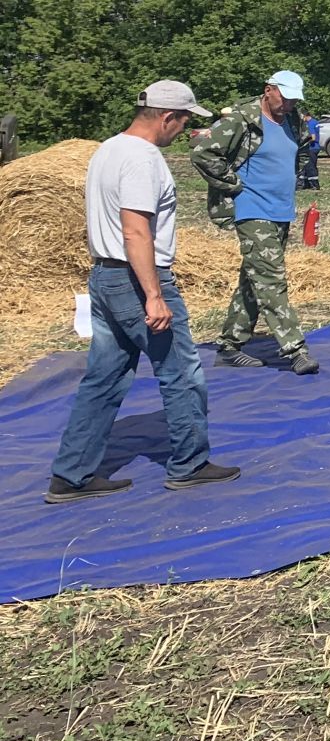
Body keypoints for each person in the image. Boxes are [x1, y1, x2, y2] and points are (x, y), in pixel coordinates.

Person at [45, 81, 241, 501]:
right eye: (185, 120)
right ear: (167, 117)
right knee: (181, 371)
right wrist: (153, 294)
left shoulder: (108, 149)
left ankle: (72, 473)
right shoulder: (142, 158)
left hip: (105, 275)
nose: (185, 130)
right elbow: (135, 230)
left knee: (105, 376)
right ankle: (189, 464)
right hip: (136, 280)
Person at [191, 69, 319, 376]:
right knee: (272, 279)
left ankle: (230, 345)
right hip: (252, 210)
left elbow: (302, 151)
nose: (288, 104)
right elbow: (202, 152)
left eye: (293, 100)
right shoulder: (241, 119)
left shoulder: (293, 121)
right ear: (268, 90)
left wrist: (293, 178)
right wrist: (234, 184)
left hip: (281, 210)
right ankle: (295, 350)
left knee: (255, 278)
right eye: (284, 98)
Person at [297, 111, 321, 191]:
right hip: (316, 147)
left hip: (311, 148)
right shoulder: (315, 122)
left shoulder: (309, 124)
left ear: (306, 116)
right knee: (310, 166)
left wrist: (302, 143)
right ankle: (305, 184)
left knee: (309, 166)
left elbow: (312, 137)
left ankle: (314, 184)